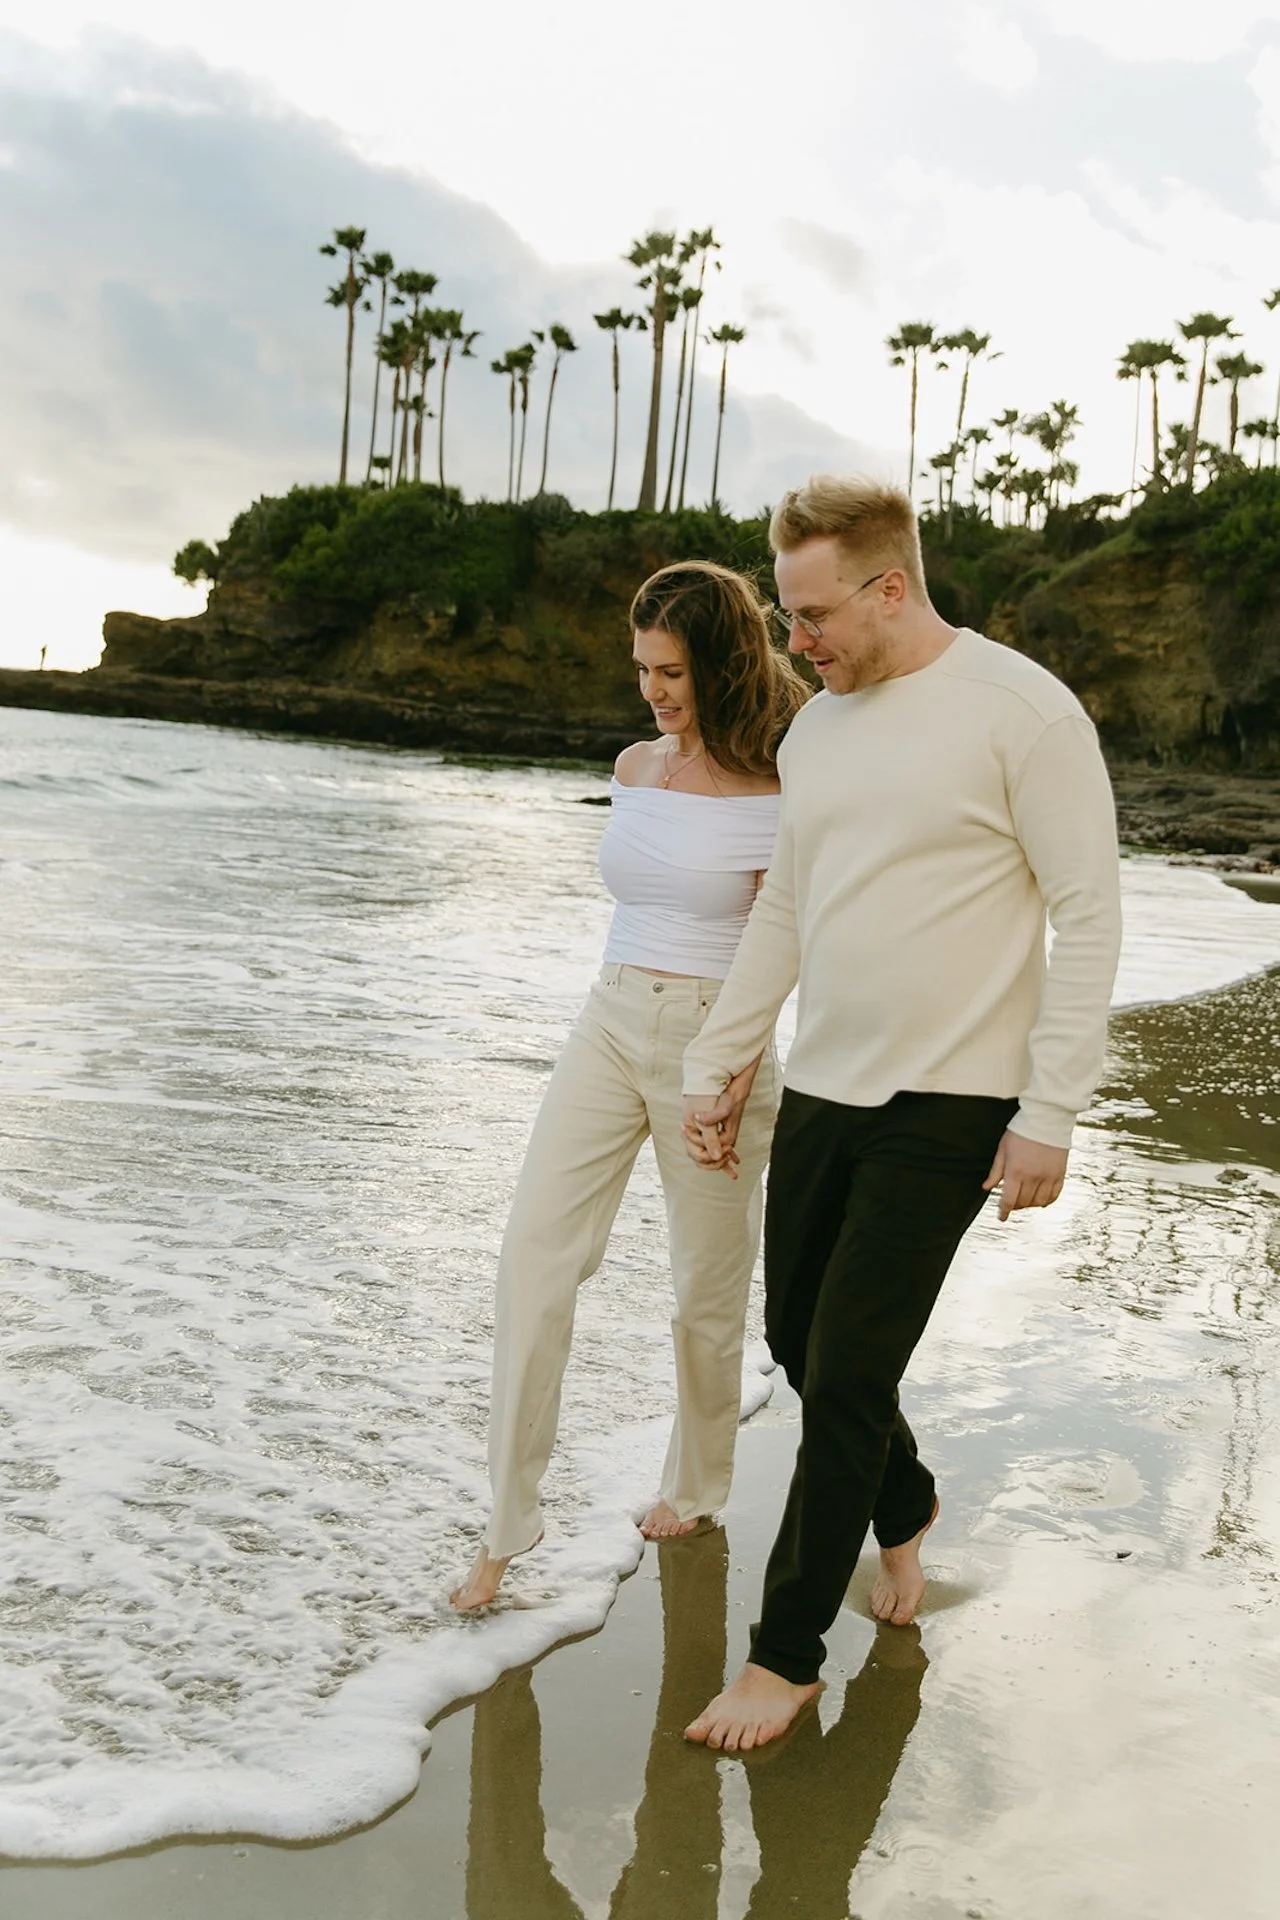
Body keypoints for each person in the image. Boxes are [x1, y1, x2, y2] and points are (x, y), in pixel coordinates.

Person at [678, 476, 1123, 1749]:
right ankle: (908, 1502)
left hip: (955, 1099)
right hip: (825, 1082)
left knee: (852, 1366)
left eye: (813, 614)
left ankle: (782, 1656)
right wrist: (721, 1061)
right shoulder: (817, 731)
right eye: (784, 613)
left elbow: (1087, 916)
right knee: (794, 1340)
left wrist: (1049, 1113)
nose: (795, 640)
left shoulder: (1021, 713)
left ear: (888, 587)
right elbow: (784, 911)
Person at [450, 560, 811, 1611]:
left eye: (673, 670)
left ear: (722, 662)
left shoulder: (786, 780)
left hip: (717, 1042)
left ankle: (695, 1484)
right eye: (643, 668)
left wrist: (734, 1066)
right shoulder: (634, 765)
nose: (654, 691)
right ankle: (506, 1525)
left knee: (704, 1293)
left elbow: (783, 938)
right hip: (607, 1019)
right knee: (533, 1259)